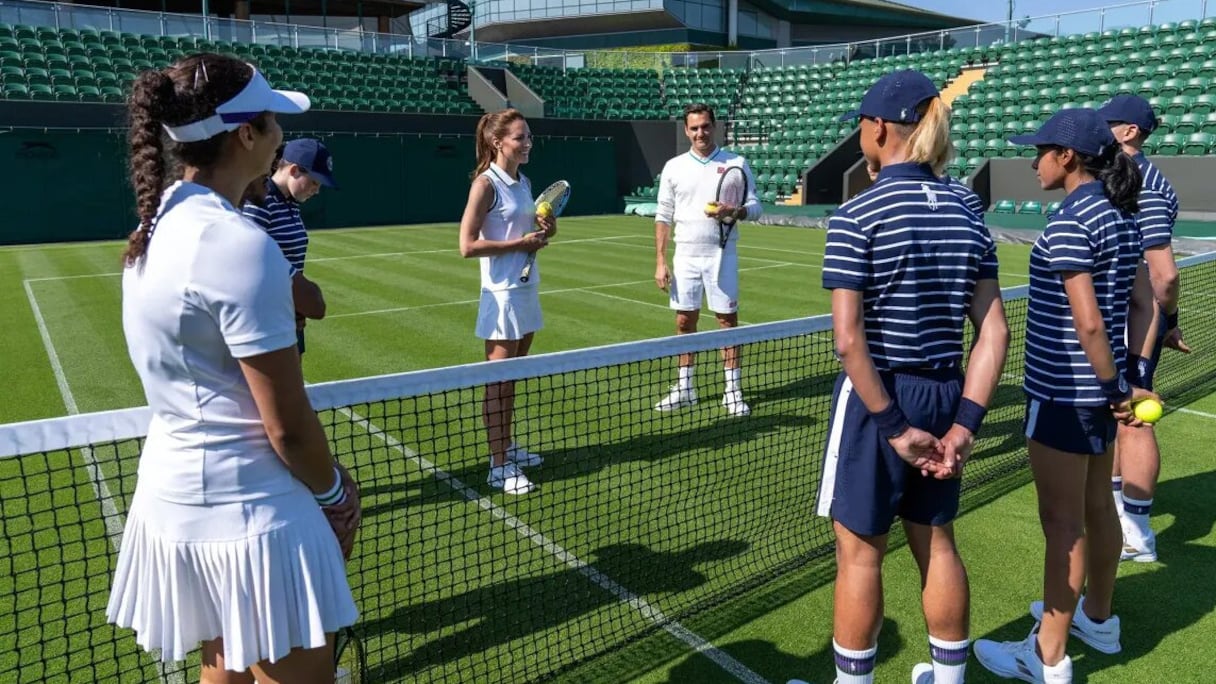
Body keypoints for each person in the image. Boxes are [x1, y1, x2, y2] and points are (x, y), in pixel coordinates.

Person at [106, 53, 359, 683]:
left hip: (177, 500)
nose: (278, 135)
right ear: (247, 134)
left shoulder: (156, 222)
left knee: (224, 670)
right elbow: (288, 427)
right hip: (252, 514)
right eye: (271, 121)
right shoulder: (240, 244)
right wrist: (334, 492)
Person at [798, 70, 1009, 684]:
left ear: (879, 128)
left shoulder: (857, 213)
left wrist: (891, 425)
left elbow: (847, 338)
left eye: (862, 124)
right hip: (946, 394)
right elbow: (993, 331)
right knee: (937, 541)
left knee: (861, 558)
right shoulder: (970, 209)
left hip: (878, 400)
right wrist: (966, 424)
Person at [974, 108, 1157, 683]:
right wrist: (1129, 381)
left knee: (1063, 525)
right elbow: (1144, 304)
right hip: (1101, 393)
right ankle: (1097, 619)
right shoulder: (1121, 215)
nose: (1034, 161)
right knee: (1099, 508)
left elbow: (1090, 323)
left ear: (1068, 158)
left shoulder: (1071, 223)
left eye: (1042, 151)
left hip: (1065, 394)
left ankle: (1047, 655)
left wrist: (1110, 389)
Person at [1096, 94, 1189, 563]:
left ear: (1130, 131)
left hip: (1135, 322)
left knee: (1134, 417)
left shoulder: (1145, 184)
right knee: (1121, 417)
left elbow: (1164, 274)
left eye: (1108, 122)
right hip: (1125, 316)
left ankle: (1137, 531)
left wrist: (1164, 321)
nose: (1101, 129)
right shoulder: (1121, 176)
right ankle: (1119, 515)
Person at [458, 109, 556, 495]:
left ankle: (507, 445)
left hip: (527, 288)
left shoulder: (524, 180)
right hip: (501, 296)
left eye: (528, 136)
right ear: (498, 142)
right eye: (520, 137)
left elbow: (526, 230)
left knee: (511, 379)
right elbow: (467, 246)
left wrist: (545, 230)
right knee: (497, 384)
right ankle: (498, 466)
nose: (528, 142)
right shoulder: (485, 185)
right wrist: (520, 243)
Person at [653, 103, 762, 417]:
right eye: (694, 128)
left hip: (722, 256)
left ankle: (732, 390)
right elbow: (663, 216)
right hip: (685, 255)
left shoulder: (736, 162)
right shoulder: (673, 167)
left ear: (714, 127)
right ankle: (685, 388)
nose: (700, 133)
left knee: (727, 323)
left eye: (705, 126)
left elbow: (755, 207)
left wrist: (734, 212)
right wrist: (661, 260)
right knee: (684, 322)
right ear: (686, 131)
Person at [242, 138, 337, 355]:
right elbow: (247, 263)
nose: (317, 190)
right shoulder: (261, 202)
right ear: (294, 170)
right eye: (314, 182)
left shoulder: (290, 203)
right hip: (266, 320)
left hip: (289, 315)